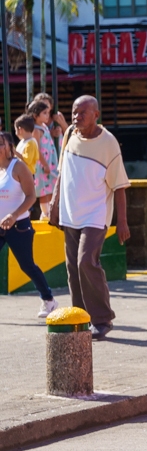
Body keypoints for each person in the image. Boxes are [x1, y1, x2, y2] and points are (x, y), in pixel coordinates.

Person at [46, 96, 130, 341]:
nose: (76, 117)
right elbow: (62, 172)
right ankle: (80, 317)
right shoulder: (70, 133)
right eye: (74, 112)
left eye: (82, 112)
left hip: (95, 216)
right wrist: (54, 202)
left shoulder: (109, 143)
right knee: (73, 268)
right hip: (70, 213)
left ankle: (102, 319)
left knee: (86, 262)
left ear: (96, 115)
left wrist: (122, 222)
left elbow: (120, 186)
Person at [0, 132, 56, 317]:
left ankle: (49, 300)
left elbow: (32, 196)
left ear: (9, 147)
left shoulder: (18, 167)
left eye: (1, 144)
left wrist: (15, 215)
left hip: (19, 225)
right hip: (0, 225)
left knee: (27, 265)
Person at [25, 96, 58, 220]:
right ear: (35, 115)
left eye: (48, 113)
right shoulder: (36, 130)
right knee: (44, 188)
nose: (47, 116)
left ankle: (49, 212)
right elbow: (37, 149)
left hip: (49, 162)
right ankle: (45, 213)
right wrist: (44, 164)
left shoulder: (44, 127)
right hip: (43, 164)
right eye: (44, 113)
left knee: (50, 187)